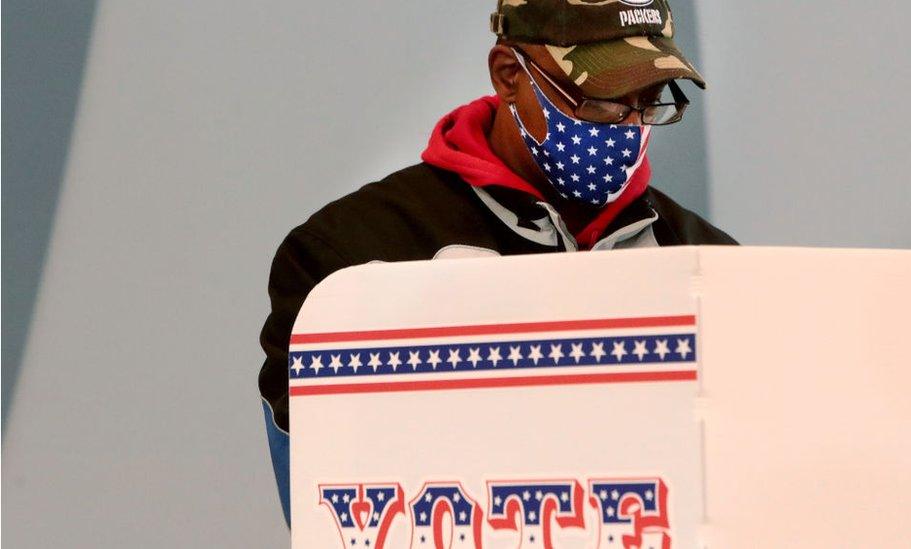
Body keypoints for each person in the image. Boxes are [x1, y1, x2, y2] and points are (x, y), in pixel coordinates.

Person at [259, 0, 736, 524]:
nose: (629, 128)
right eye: (601, 100)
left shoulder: (708, 263)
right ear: (509, 75)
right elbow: (332, 515)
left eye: (648, 102)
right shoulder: (351, 258)